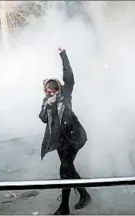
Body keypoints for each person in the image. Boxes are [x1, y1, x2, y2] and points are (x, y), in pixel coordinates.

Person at [39, 47, 91, 215]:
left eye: (54, 91)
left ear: (59, 89)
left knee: (64, 169)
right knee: (69, 169)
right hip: (60, 141)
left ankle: (64, 207)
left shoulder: (65, 95)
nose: (52, 94)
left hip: (74, 138)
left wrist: (63, 55)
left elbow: (69, 78)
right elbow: (43, 118)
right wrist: (48, 106)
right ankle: (84, 195)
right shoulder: (46, 101)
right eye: (49, 92)